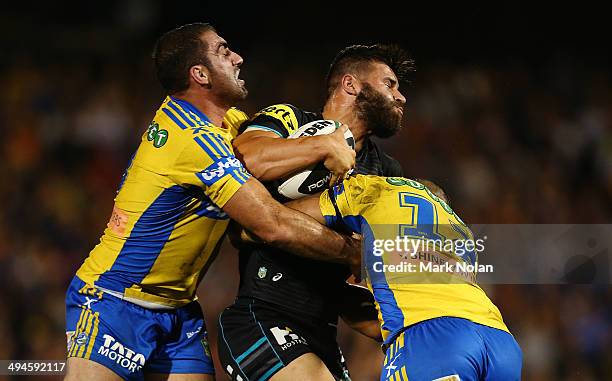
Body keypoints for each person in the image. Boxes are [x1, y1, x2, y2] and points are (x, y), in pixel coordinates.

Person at [64, 23, 360, 381]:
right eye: (223, 51)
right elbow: (272, 225)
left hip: (180, 311)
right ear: (199, 74)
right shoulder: (192, 140)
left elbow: (267, 155)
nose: (238, 57)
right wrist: (355, 253)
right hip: (114, 300)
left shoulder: (230, 124)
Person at [217, 44, 414, 381]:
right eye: (389, 84)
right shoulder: (289, 119)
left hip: (323, 331)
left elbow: (370, 265)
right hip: (262, 316)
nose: (401, 97)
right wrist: (325, 144)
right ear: (351, 85)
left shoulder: (386, 171)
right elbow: (248, 158)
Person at [285, 175, 523, 381]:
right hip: (500, 342)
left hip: (433, 338)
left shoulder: (382, 191)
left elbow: (286, 218)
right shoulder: (463, 237)